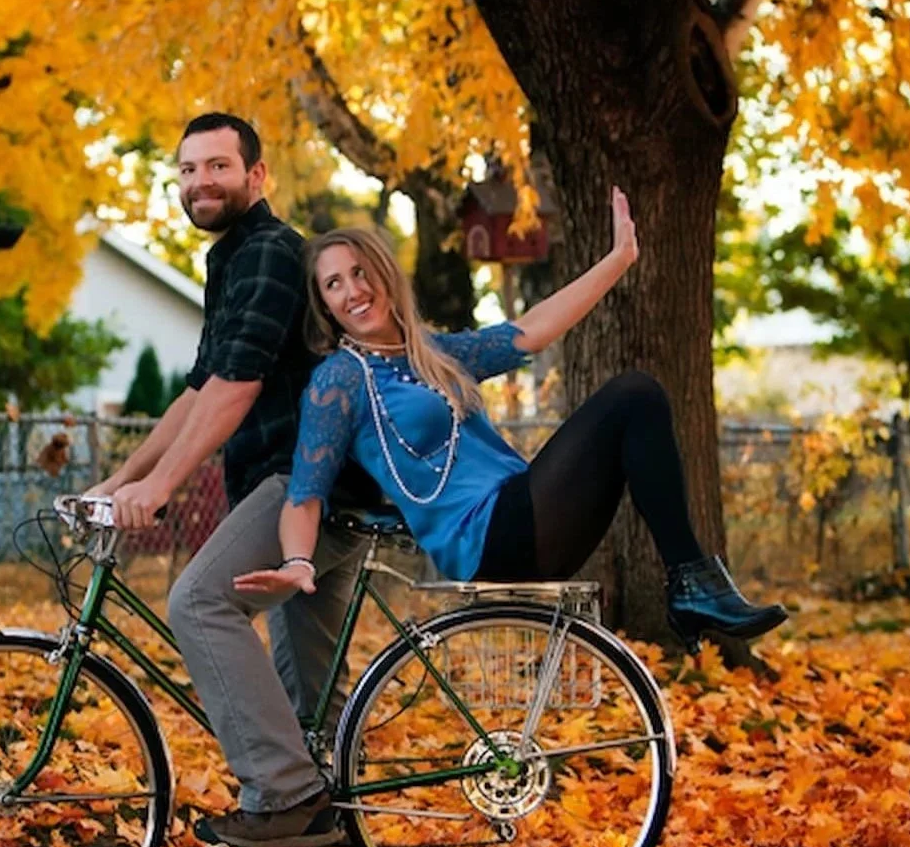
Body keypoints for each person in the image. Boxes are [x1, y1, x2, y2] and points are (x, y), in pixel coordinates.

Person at [234, 188, 786, 645]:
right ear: (325, 305)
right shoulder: (339, 381)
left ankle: (691, 588)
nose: (353, 291)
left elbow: (536, 327)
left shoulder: (435, 352)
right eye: (334, 284)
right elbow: (305, 493)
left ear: (383, 275)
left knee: (637, 404)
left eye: (360, 273)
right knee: (633, 395)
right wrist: (298, 564)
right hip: (487, 536)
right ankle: (691, 585)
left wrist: (618, 260)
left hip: (523, 514)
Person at [84, 113, 379, 847]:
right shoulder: (232, 259)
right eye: (187, 170)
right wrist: (122, 478)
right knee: (306, 702)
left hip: (307, 486)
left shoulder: (272, 254)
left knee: (199, 601)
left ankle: (282, 794)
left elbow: (239, 385)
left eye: (217, 166)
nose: (199, 183)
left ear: (257, 176)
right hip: (306, 493)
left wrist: (162, 490)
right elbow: (199, 390)